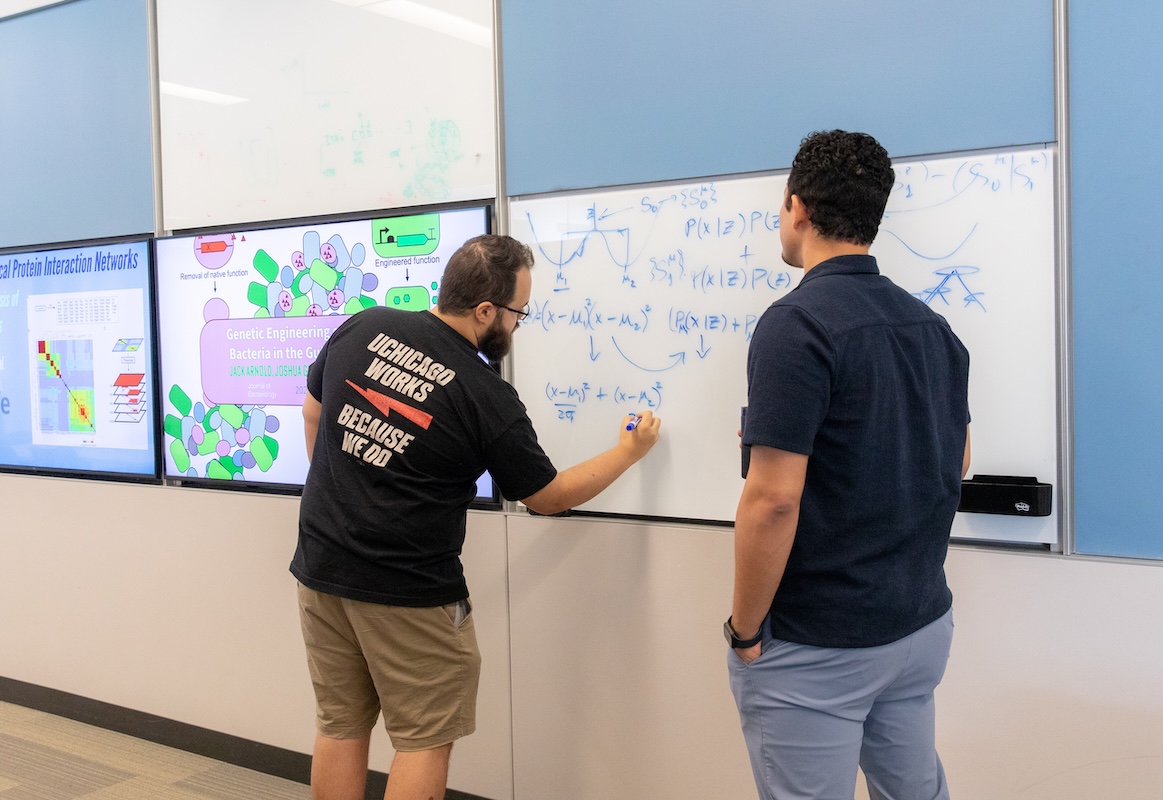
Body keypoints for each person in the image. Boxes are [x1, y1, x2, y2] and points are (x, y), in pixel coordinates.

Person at [291, 234, 661, 800]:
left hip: (320, 567)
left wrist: (347, 491)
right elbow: (547, 496)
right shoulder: (485, 393)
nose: (516, 325)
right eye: (518, 313)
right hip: (409, 592)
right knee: (422, 740)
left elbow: (315, 409)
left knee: (340, 724)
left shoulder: (364, 325)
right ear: (485, 311)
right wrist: (628, 453)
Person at [727, 130, 971, 800]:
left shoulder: (794, 324)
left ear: (798, 208)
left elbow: (773, 500)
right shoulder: (933, 328)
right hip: (917, 628)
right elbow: (959, 455)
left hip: (821, 642)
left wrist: (745, 630)